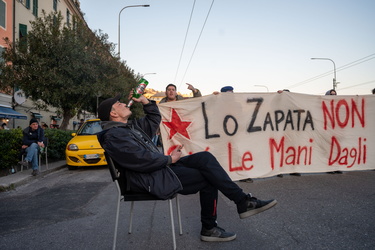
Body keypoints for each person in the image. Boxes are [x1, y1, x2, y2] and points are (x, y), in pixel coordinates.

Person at [96, 94, 277, 242]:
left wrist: (146, 102)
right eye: (119, 104)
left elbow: (154, 119)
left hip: (157, 169)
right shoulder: (114, 136)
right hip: (149, 179)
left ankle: (242, 202)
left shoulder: (129, 128)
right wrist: (168, 159)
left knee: (204, 158)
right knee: (208, 177)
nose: (124, 104)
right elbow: (139, 160)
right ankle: (212, 226)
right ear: (113, 114)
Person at [213, 86, 253, 183]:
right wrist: (214, 97)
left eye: (232, 93)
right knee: (220, 155)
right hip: (221, 133)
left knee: (235, 153)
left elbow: (240, 116)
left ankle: (241, 174)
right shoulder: (217, 104)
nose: (232, 95)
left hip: (233, 133)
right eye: (229, 93)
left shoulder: (237, 104)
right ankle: (219, 176)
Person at [276, 89, 301, 178]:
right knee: (280, 150)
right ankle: (279, 170)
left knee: (292, 149)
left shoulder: (293, 104)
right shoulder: (278, 104)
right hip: (279, 130)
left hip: (291, 130)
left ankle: (293, 169)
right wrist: (277, 95)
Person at [324, 89, 342, 174]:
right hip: (326, 130)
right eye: (331, 95)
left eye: (334, 94)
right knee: (328, 149)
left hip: (336, 130)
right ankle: (329, 167)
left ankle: (336, 167)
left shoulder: (338, 105)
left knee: (336, 149)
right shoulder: (322, 103)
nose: (333, 96)